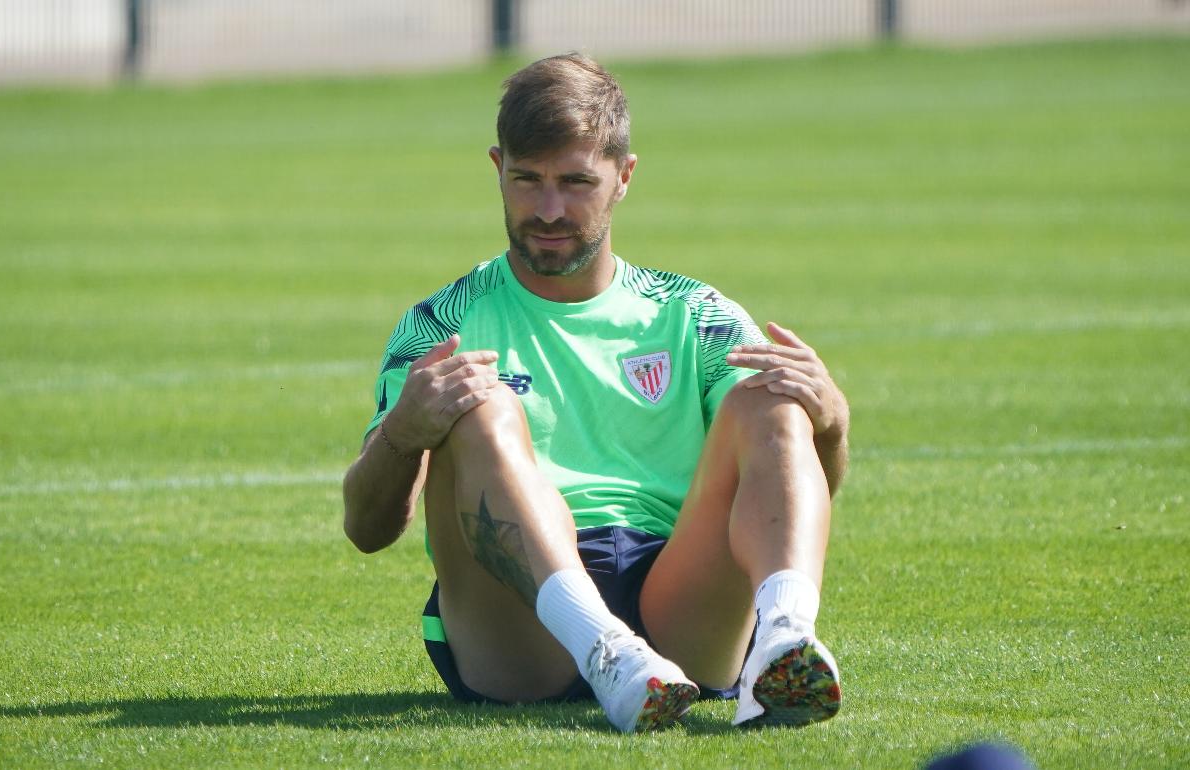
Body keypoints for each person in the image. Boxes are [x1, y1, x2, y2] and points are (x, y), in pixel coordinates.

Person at [343, 53, 850, 733]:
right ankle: (605, 649)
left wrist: (830, 423)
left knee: (771, 396)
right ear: (497, 168)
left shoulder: (696, 315)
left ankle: (784, 643)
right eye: (527, 180)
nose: (548, 210)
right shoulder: (443, 325)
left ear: (624, 177)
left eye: (576, 182)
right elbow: (367, 530)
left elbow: (785, 486)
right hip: (518, 628)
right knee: (481, 400)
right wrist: (403, 435)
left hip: (680, 604)